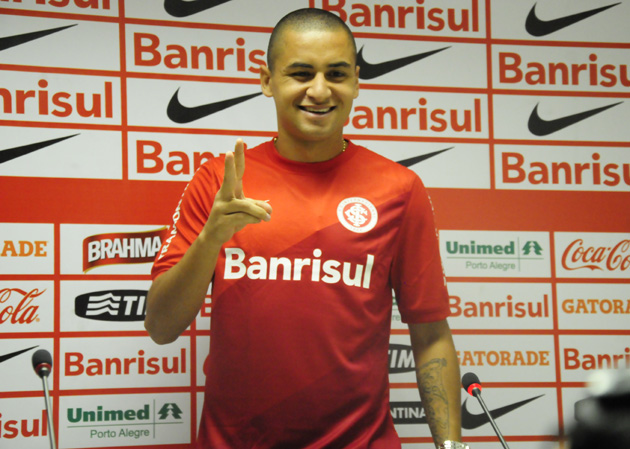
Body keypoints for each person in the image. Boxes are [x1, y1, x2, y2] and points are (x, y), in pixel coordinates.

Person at [145, 7, 465, 449]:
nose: (319, 90)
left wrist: (452, 446)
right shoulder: (220, 181)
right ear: (267, 81)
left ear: (356, 81)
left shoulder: (400, 188)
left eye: (336, 74)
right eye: (300, 73)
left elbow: (430, 334)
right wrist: (210, 240)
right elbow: (161, 327)